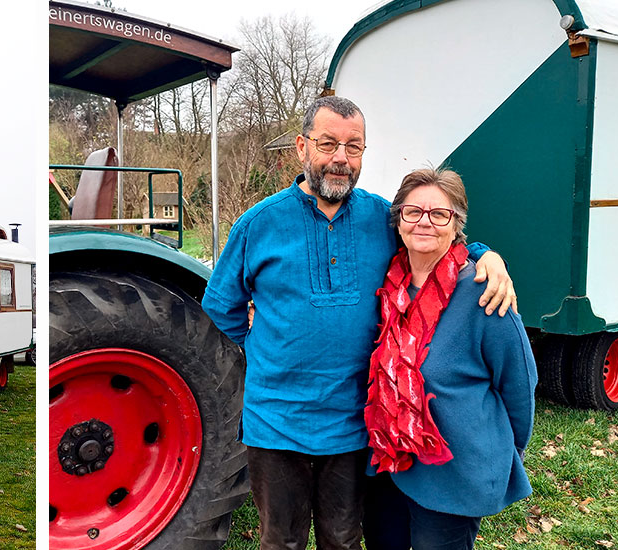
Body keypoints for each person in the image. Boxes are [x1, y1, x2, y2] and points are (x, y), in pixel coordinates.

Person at [201, 96, 517, 550]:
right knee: (280, 541)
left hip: (354, 422)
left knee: (344, 538)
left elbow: (433, 236)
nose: (340, 159)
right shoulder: (258, 224)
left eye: (354, 147)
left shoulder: (381, 217)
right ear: (301, 147)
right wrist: (270, 361)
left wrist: (489, 255)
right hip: (275, 421)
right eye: (328, 144)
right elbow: (221, 311)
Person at [362, 168, 536, 549]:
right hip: (389, 463)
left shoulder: (484, 294)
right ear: (399, 219)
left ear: (456, 224)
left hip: (453, 476)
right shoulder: (391, 286)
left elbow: (519, 385)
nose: (425, 222)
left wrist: (503, 451)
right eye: (413, 212)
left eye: (439, 214)